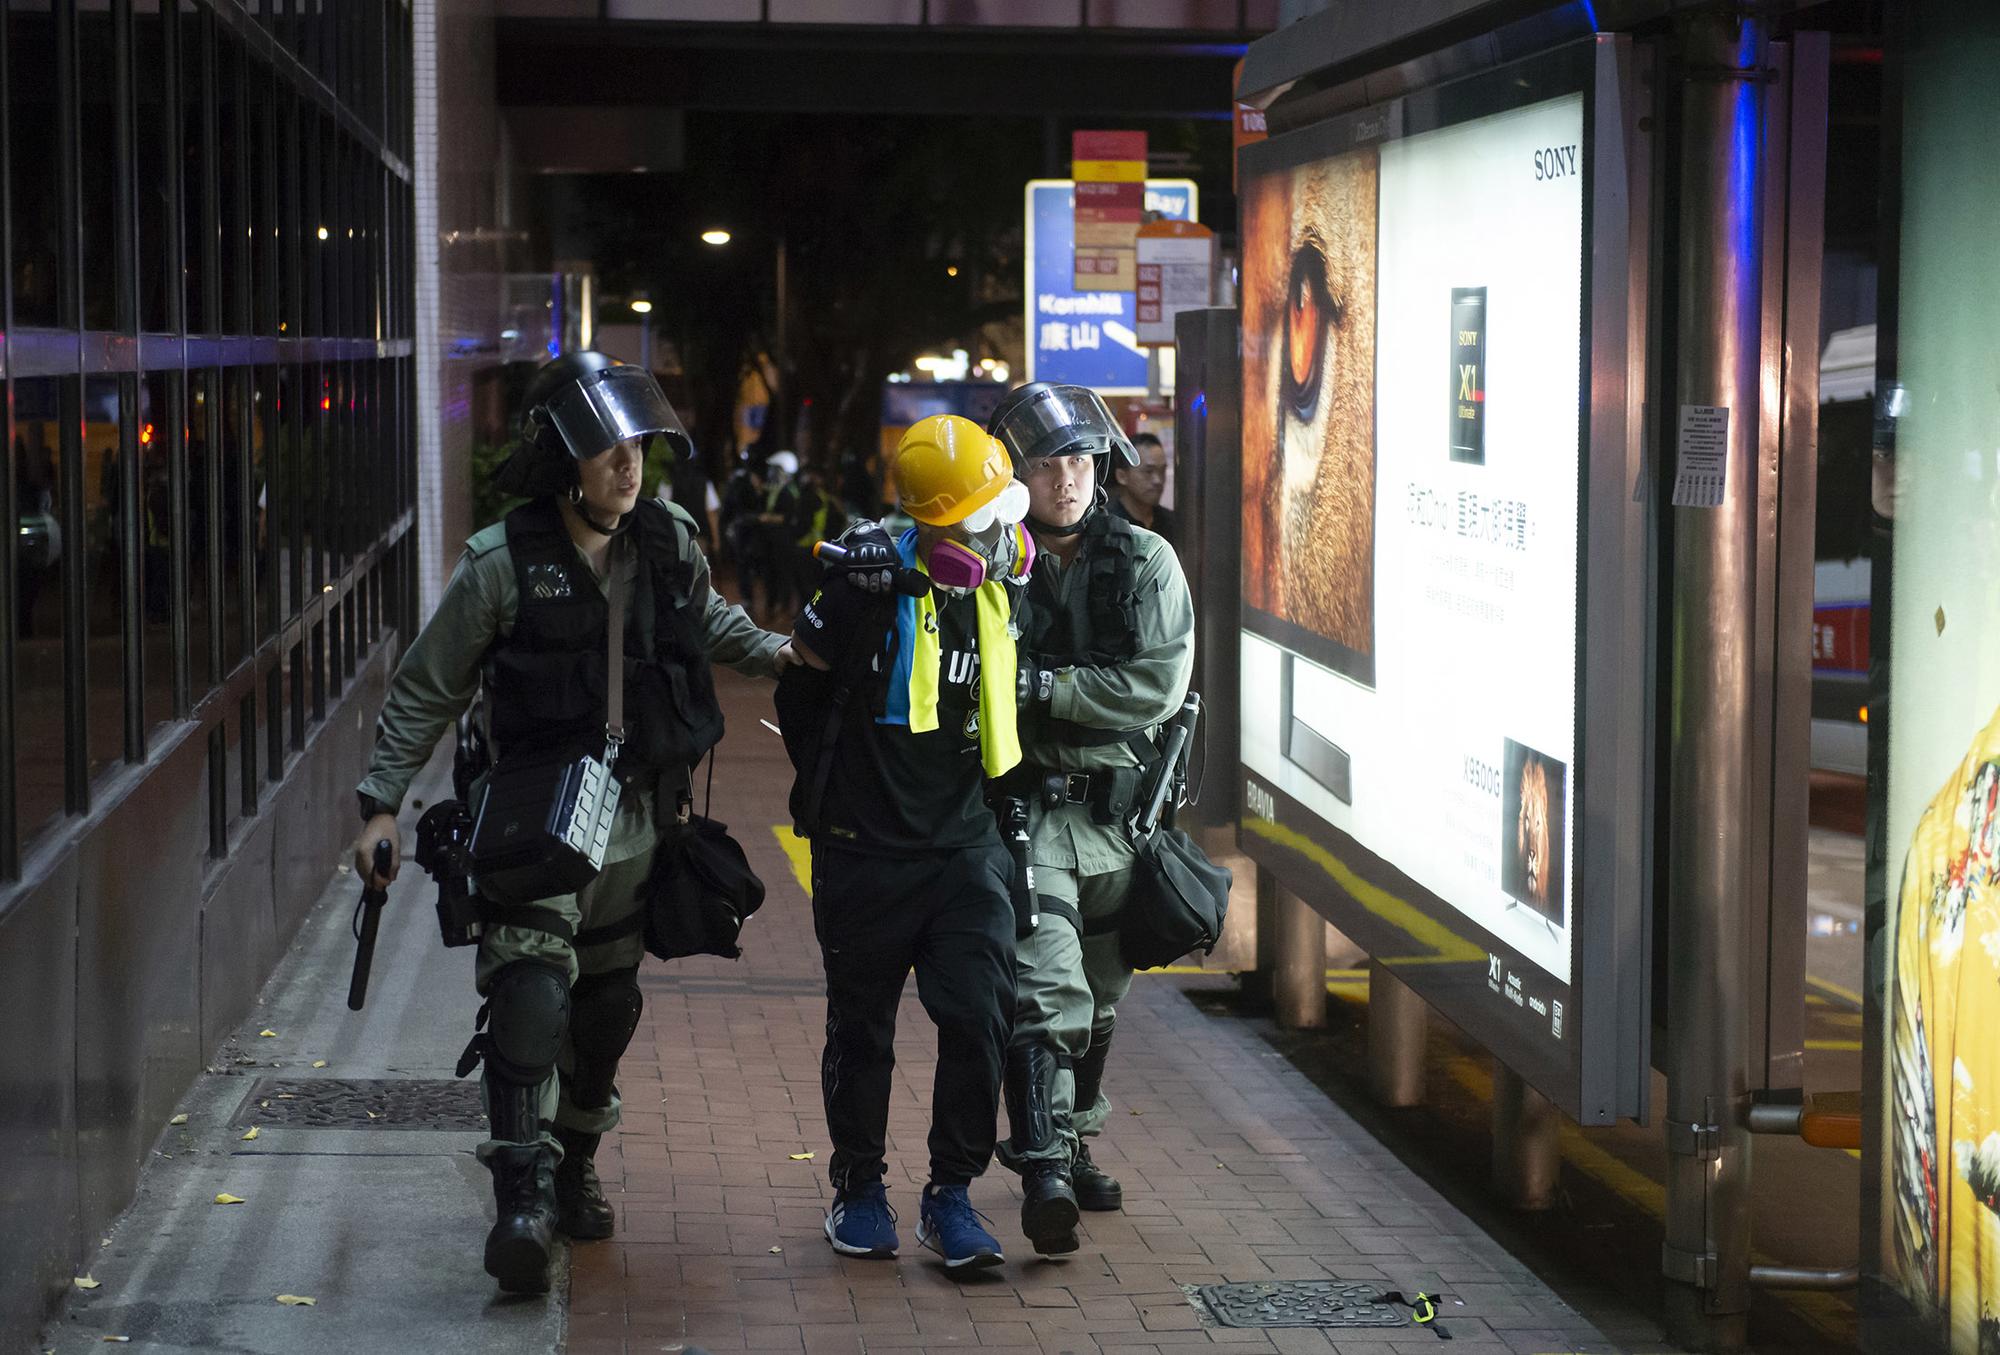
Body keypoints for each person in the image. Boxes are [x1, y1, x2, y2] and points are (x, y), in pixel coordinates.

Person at [348, 352, 797, 1295]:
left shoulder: (669, 540)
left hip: (637, 825)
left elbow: (713, 623)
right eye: (604, 448)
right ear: (564, 457)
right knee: (529, 997)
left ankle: (578, 1161)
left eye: (635, 444)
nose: (626, 465)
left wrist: (795, 657)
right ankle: (521, 1196)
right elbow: (427, 690)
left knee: (604, 1009)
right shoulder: (501, 565)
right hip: (530, 821)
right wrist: (381, 803)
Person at [777, 414, 1036, 1271]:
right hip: (864, 853)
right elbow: (800, 685)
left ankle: (950, 1193)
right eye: (984, 516)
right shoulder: (865, 583)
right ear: (941, 524)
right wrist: (838, 798)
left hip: (964, 851)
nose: (1004, 532)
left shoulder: (995, 590)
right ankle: (858, 1188)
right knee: (864, 1030)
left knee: (979, 1017)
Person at [986, 383, 1194, 1256]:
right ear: (1017, 472)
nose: (1065, 476)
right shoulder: (991, 560)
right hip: (1032, 814)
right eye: (1045, 460)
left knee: (1104, 995)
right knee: (1048, 988)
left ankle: (1072, 1140)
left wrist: (1045, 689)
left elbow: (1158, 684)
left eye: (1078, 458)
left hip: (1122, 820)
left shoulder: (1146, 560)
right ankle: (1042, 1168)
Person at [1108, 430, 1177, 545]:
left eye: (1162, 471)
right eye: (1148, 471)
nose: (1158, 480)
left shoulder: (1173, 523)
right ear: (1122, 476)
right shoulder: (1107, 525)